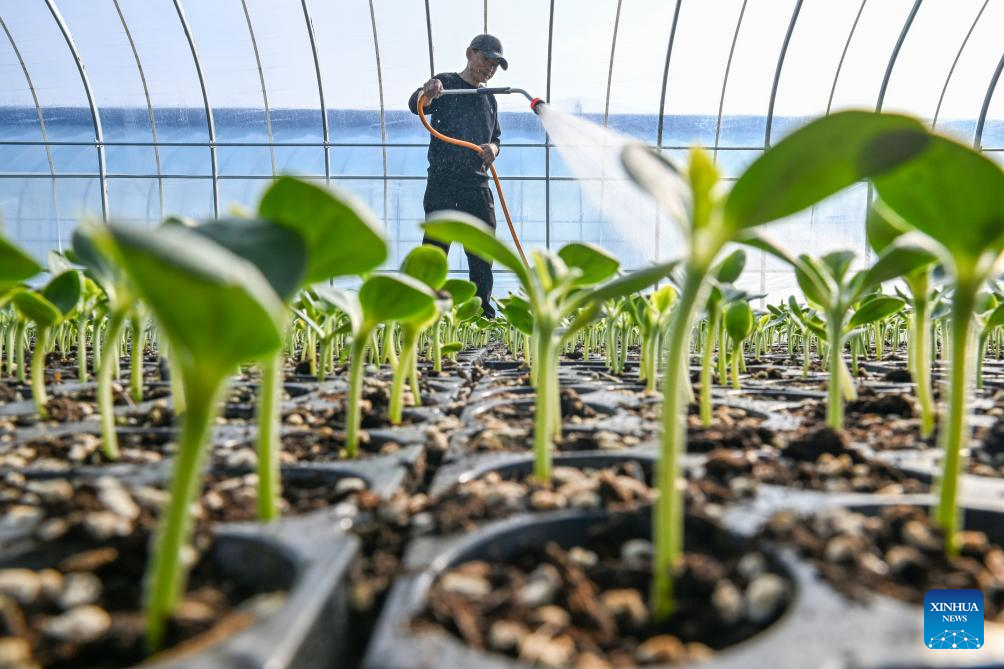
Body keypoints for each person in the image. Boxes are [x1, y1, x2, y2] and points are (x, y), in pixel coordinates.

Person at [408, 34, 509, 319]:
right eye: (485, 59)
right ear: (469, 53)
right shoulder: (446, 84)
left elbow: (497, 137)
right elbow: (417, 104)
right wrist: (427, 92)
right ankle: (424, 312)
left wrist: (493, 149)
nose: (489, 68)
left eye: (495, 64)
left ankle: (482, 314)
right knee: (435, 251)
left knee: (481, 254)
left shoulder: (488, 98)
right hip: (443, 182)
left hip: (477, 184)